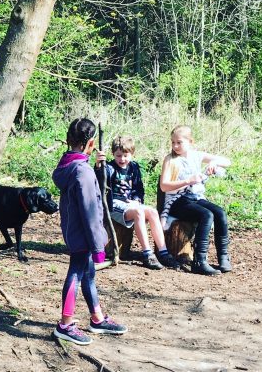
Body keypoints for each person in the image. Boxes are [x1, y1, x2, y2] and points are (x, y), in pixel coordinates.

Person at [51, 118, 128, 346]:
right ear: (91, 143)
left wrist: (98, 170)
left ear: (68, 140)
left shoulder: (70, 164)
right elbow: (90, 211)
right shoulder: (82, 172)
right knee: (76, 273)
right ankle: (65, 325)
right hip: (83, 233)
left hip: (74, 229)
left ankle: (97, 318)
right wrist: (98, 243)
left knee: (88, 274)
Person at [159, 125, 232, 276]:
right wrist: (188, 181)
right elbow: (164, 186)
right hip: (177, 201)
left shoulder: (196, 155)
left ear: (190, 142)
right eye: (173, 142)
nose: (175, 146)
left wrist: (214, 163)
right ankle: (199, 261)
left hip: (195, 198)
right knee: (206, 215)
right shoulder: (170, 159)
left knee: (220, 213)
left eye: (179, 142)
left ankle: (223, 256)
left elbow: (227, 162)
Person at [96, 135, 177, 270]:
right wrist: (99, 165)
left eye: (125, 155)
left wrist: (137, 200)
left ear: (132, 154)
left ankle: (163, 252)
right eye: (118, 156)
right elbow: (100, 180)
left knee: (152, 212)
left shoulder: (133, 167)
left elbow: (139, 189)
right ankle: (147, 254)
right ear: (113, 154)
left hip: (130, 204)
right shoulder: (109, 167)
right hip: (114, 204)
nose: (122, 159)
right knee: (139, 212)